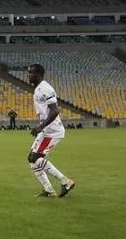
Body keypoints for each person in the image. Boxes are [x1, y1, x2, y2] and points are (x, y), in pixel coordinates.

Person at [26, 64, 76, 197]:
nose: (29, 75)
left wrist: (41, 127)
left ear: (39, 74)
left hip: (52, 131)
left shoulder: (45, 88)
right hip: (47, 129)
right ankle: (49, 190)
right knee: (32, 158)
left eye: (32, 73)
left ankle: (65, 181)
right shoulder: (38, 89)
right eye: (28, 73)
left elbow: (55, 110)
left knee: (35, 158)